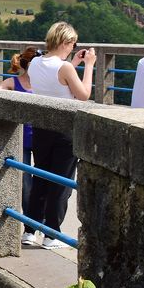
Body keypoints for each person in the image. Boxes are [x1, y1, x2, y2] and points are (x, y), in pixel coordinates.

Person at [23, 22, 95, 249]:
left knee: (40, 178)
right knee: (60, 183)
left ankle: (30, 230)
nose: (73, 47)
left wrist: (73, 64)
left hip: (42, 127)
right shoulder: (64, 68)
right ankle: (52, 235)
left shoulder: (35, 61)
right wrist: (89, 65)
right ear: (65, 42)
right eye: (73, 44)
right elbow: (82, 95)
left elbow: (57, 82)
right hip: (65, 131)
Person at [0, 46, 39, 216]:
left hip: (42, 138)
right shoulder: (13, 82)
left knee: (42, 182)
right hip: (23, 139)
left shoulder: (45, 83)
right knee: (25, 184)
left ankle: (39, 221)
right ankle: (30, 223)